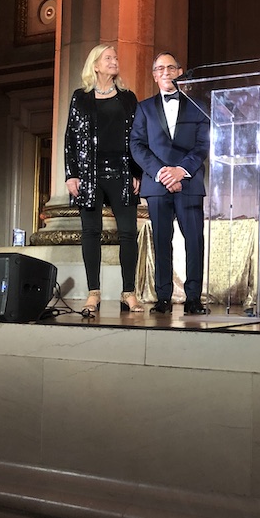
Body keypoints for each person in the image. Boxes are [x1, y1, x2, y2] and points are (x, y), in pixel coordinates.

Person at [63, 43, 143, 316]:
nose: (114, 61)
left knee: (128, 233)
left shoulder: (128, 97)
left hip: (121, 170)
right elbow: (70, 138)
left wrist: (137, 171)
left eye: (115, 58)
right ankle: (93, 293)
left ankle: (128, 292)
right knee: (91, 232)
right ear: (95, 65)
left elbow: (137, 137)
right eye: (108, 58)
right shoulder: (80, 97)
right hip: (89, 173)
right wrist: (71, 174)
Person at [129, 51, 210, 315]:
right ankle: (163, 296)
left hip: (189, 182)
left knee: (194, 241)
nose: (166, 72)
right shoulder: (143, 108)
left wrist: (181, 171)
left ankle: (194, 297)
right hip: (157, 183)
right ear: (154, 75)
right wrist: (162, 172)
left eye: (171, 68)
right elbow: (137, 145)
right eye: (160, 68)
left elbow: (203, 144)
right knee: (162, 240)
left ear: (179, 72)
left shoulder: (198, 105)